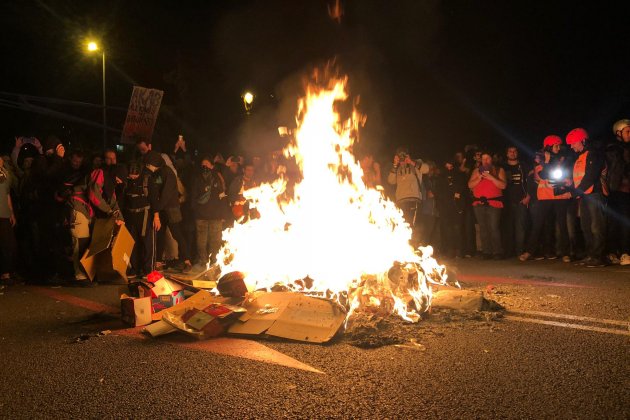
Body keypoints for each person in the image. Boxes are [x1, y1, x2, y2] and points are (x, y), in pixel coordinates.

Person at [519, 135, 572, 262]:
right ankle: (529, 251)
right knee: (537, 224)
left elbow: (565, 174)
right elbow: (543, 175)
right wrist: (547, 162)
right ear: (548, 146)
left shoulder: (564, 158)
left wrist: (550, 165)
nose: (559, 148)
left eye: (559, 145)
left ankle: (566, 253)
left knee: (562, 225)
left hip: (560, 195)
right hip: (545, 196)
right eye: (556, 145)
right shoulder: (539, 158)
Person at [566, 128, 608, 267]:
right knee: (586, 226)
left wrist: (575, 192)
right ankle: (591, 255)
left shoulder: (593, 154)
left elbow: (591, 176)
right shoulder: (581, 156)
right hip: (584, 196)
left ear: (583, 141)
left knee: (596, 227)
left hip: (594, 194)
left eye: (573, 143)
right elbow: (581, 178)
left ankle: (599, 257)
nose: (571, 146)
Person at [144, 151, 192, 272]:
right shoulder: (156, 173)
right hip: (161, 209)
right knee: (160, 235)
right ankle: (158, 261)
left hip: (171, 209)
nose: (148, 167)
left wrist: (156, 208)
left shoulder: (168, 172)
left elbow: (166, 193)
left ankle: (187, 261)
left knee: (177, 234)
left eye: (149, 164)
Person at [467, 151, 507, 259]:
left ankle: (497, 252)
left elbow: (503, 186)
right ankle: (486, 251)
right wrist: (479, 177)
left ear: (491, 159)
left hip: (494, 203)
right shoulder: (476, 171)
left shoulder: (499, 170)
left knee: (493, 227)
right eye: (483, 159)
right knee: (483, 228)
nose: (485, 161)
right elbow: (470, 185)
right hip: (479, 203)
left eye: (487, 158)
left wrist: (491, 177)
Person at [387, 147, 429, 245]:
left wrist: (411, 162)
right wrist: (395, 164)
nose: (401, 159)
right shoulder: (397, 169)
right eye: (399, 157)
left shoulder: (415, 164)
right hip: (400, 201)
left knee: (412, 226)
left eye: (403, 156)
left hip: (413, 200)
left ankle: (413, 249)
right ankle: (404, 249)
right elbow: (390, 181)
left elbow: (426, 169)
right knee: (401, 226)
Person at [191, 157, 228, 266]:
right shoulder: (197, 178)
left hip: (216, 216)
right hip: (201, 216)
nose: (205, 167)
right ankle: (203, 261)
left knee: (215, 241)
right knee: (201, 242)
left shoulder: (218, 177)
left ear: (212, 166)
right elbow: (193, 196)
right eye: (203, 165)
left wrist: (223, 213)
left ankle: (214, 261)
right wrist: (195, 211)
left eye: (207, 164)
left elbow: (222, 195)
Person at [605, 119, 630, 265]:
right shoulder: (613, 149)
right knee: (616, 222)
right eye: (628, 131)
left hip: (626, 192)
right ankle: (619, 252)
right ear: (619, 133)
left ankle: (622, 251)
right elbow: (617, 168)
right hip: (617, 191)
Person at [122, 162, 153, 278]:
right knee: (132, 243)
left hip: (144, 214)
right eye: (131, 175)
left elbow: (153, 198)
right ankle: (134, 268)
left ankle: (147, 269)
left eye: (135, 175)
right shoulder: (126, 181)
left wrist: (156, 215)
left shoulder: (146, 180)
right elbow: (123, 199)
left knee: (146, 243)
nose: (133, 177)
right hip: (130, 215)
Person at [502, 146, 530, 257]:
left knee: (521, 228)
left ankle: (520, 251)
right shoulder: (502, 166)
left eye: (514, 151)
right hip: (507, 202)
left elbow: (530, 182)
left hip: (521, 201)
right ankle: (509, 252)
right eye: (510, 151)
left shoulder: (523, 166)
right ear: (507, 154)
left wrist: (528, 196)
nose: (512, 153)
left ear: (517, 153)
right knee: (507, 227)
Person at [436, 159, 466, 258]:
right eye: (447, 167)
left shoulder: (459, 176)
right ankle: (450, 249)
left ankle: (459, 249)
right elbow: (439, 192)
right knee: (448, 229)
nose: (449, 169)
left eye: (451, 167)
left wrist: (457, 195)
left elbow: (461, 189)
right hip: (445, 207)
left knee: (457, 228)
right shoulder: (440, 177)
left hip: (456, 206)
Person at [0, 156, 17, 284]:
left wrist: (11, 212)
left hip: (4, 214)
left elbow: (7, 194)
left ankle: (5, 273)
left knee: (8, 244)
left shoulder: (5, 175)